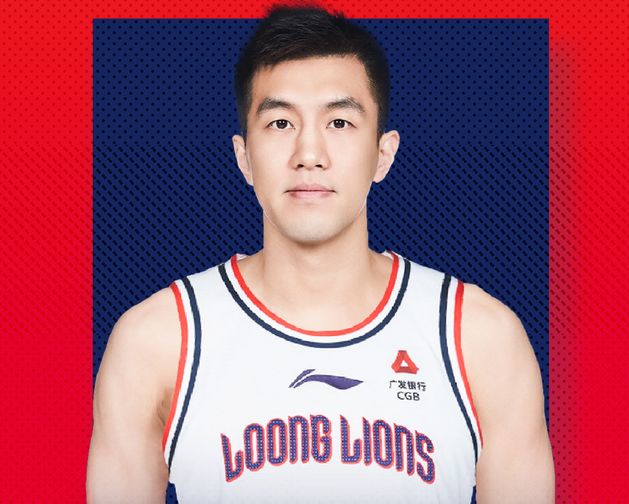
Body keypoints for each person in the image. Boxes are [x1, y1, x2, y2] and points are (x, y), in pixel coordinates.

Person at [86, 5, 555, 503]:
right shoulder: (158, 341)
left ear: (383, 154)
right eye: (280, 122)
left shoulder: (479, 338)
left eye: (339, 122)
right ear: (244, 157)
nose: (309, 154)